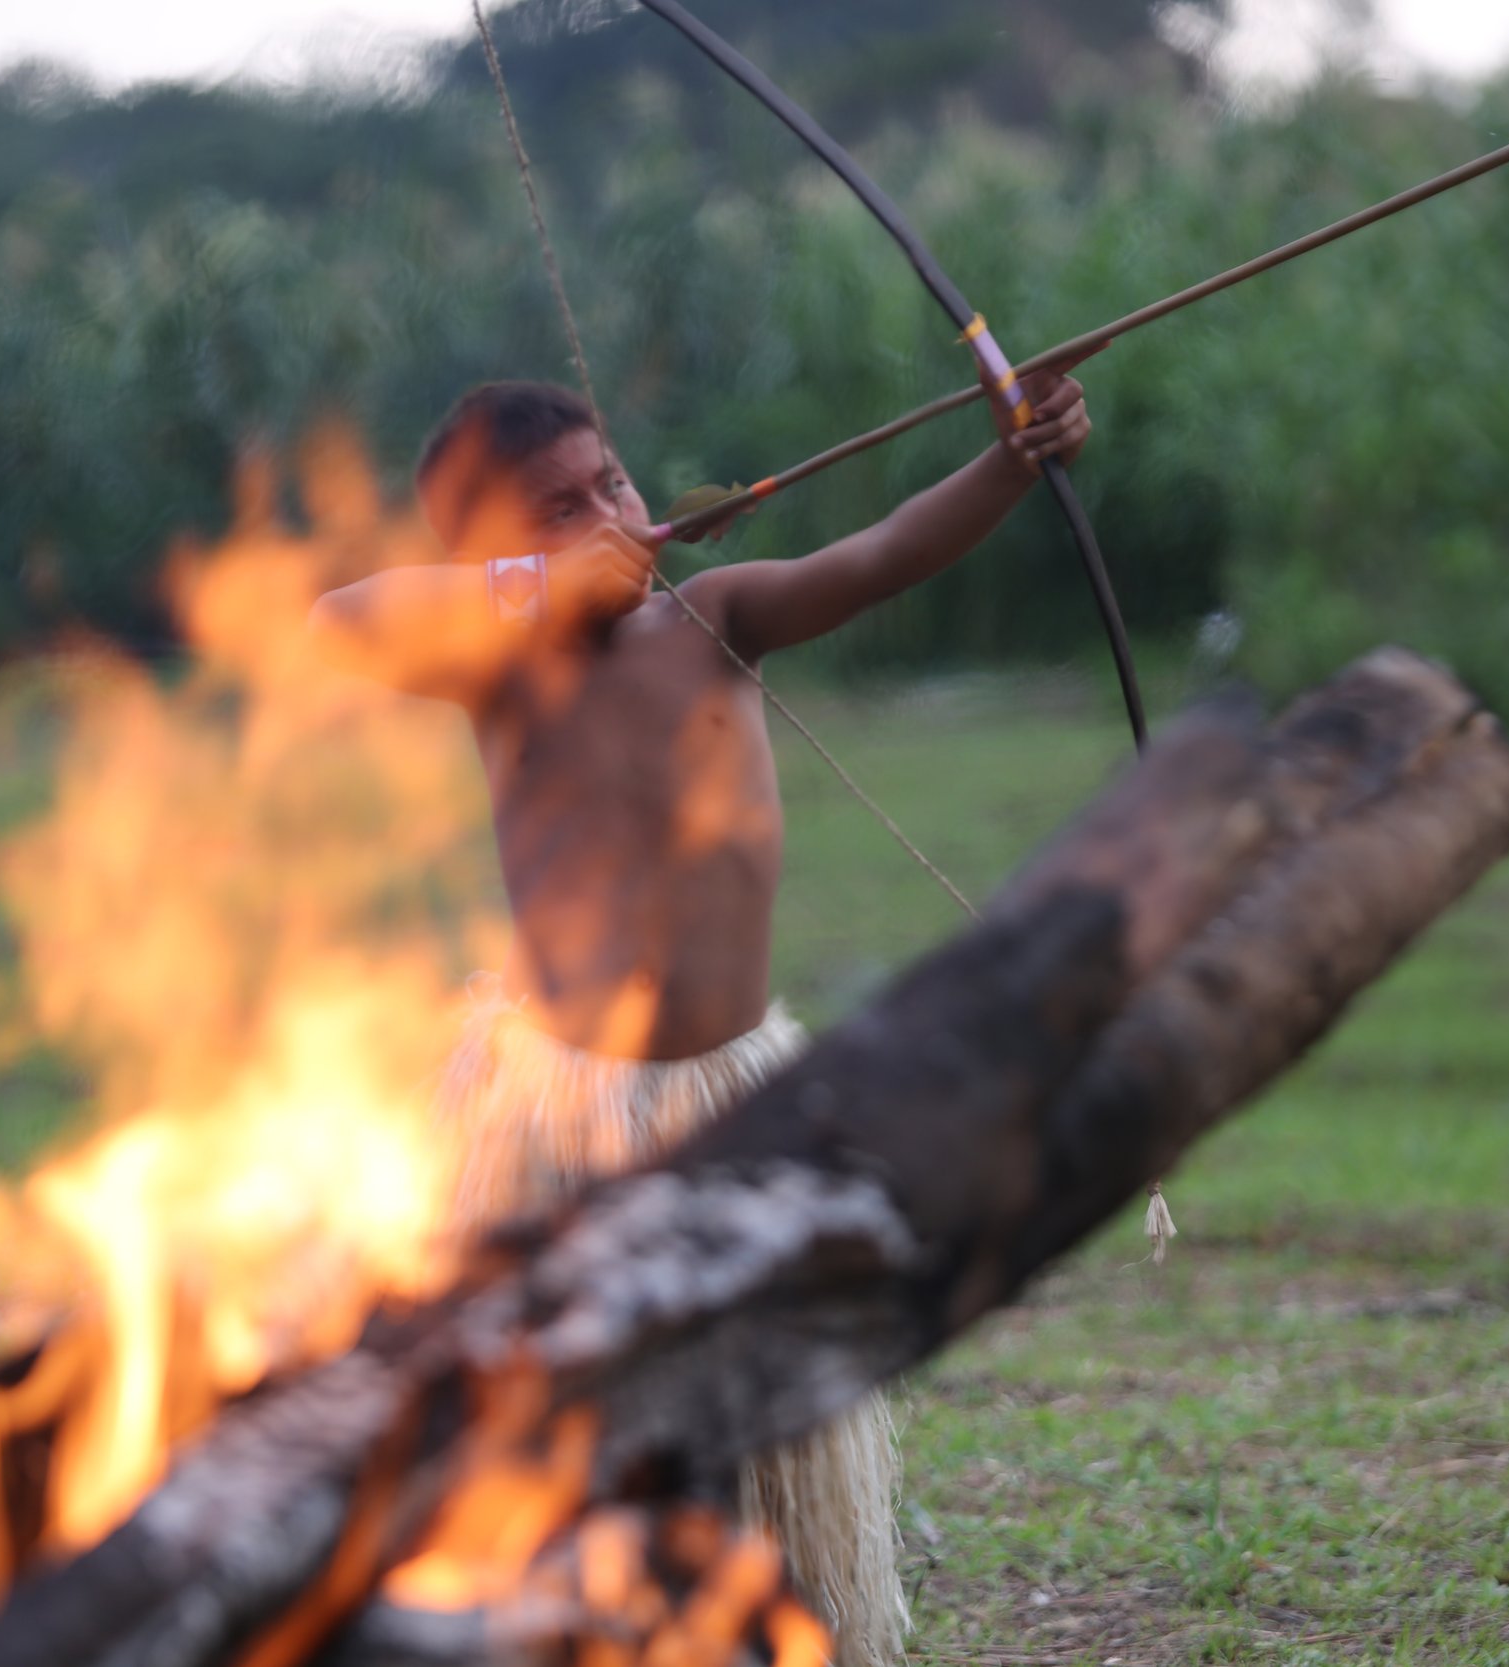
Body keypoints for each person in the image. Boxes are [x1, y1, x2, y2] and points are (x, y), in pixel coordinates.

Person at [309, 361, 1093, 1666]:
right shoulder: (497, 668)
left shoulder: (717, 615)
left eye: (610, 481)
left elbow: (884, 552)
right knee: (566, 1433)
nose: (608, 511)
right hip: (564, 1105)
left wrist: (1013, 461)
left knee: (749, 1424)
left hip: (728, 1094)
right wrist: (543, 593)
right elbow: (341, 615)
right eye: (556, 509)